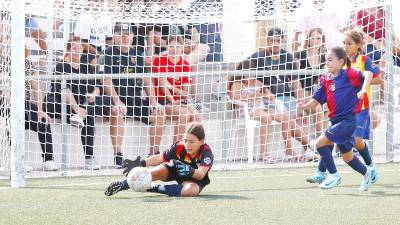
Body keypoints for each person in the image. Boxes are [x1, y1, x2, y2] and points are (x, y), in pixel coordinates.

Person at [306, 30, 381, 185]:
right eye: (343, 43)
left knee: (357, 142)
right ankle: (321, 172)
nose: (345, 46)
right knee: (331, 140)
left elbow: (378, 79)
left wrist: (358, 85)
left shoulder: (363, 60)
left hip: (360, 108)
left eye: (349, 43)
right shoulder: (337, 64)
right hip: (343, 110)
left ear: (359, 45)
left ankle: (370, 167)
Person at [45, 36, 126, 170]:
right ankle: (89, 158)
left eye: (80, 48)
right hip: (65, 105)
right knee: (88, 116)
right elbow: (65, 91)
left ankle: (83, 116)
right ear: (69, 50)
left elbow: (97, 87)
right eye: (74, 48)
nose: (77, 50)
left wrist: (94, 94)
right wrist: (77, 109)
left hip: (84, 105)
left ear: (83, 49)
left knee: (108, 101)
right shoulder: (61, 66)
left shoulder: (85, 67)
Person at [104, 23, 166, 156]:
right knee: (117, 112)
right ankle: (118, 155)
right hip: (115, 99)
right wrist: (117, 101)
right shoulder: (107, 54)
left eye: (128, 35)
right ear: (115, 36)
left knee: (159, 114)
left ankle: (153, 154)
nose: (125, 38)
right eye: (122, 35)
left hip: (134, 99)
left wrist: (153, 101)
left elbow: (146, 80)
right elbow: (106, 80)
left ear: (132, 37)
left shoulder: (137, 55)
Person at [104, 122, 213, 197]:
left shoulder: (206, 152)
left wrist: (188, 170)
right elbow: (160, 158)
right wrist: (140, 163)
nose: (187, 145)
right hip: (176, 170)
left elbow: (200, 174)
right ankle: (123, 184)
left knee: (190, 191)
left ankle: (152, 187)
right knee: (153, 172)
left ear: (202, 141)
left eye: (191, 142)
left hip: (194, 179)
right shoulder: (179, 146)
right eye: (185, 140)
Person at [228, 71, 316, 162]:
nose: (250, 76)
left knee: (286, 118)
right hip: (249, 111)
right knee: (266, 118)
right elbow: (234, 96)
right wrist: (253, 95)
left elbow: (272, 97)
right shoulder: (238, 84)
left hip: (262, 108)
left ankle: (289, 150)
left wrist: (264, 95)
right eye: (247, 74)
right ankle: (264, 153)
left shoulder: (258, 83)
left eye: (252, 74)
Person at [152, 35, 199, 141]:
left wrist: (171, 86)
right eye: (171, 46)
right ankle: (176, 150)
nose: (174, 50)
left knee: (197, 118)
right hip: (163, 100)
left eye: (177, 46)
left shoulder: (186, 65)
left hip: (181, 101)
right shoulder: (159, 61)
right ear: (166, 47)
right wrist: (172, 100)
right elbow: (162, 86)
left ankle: (195, 151)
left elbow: (186, 93)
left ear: (182, 47)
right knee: (185, 113)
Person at [295, 27, 326, 137]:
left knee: (320, 107)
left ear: (322, 41)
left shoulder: (325, 56)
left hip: (319, 93)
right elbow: (295, 79)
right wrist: (300, 97)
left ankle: (320, 142)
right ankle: (311, 145)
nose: (315, 41)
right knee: (309, 110)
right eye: (313, 38)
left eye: (318, 38)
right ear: (308, 40)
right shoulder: (301, 55)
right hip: (303, 92)